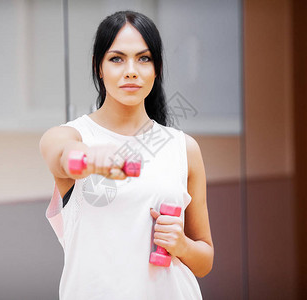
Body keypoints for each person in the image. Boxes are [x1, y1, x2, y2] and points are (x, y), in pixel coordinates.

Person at [39, 10, 213, 300]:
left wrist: (181, 245)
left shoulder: (183, 148)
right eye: (117, 58)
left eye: (143, 58)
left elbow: (204, 259)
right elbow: (58, 152)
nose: (131, 70)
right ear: (99, 67)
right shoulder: (75, 135)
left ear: (156, 68)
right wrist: (90, 159)